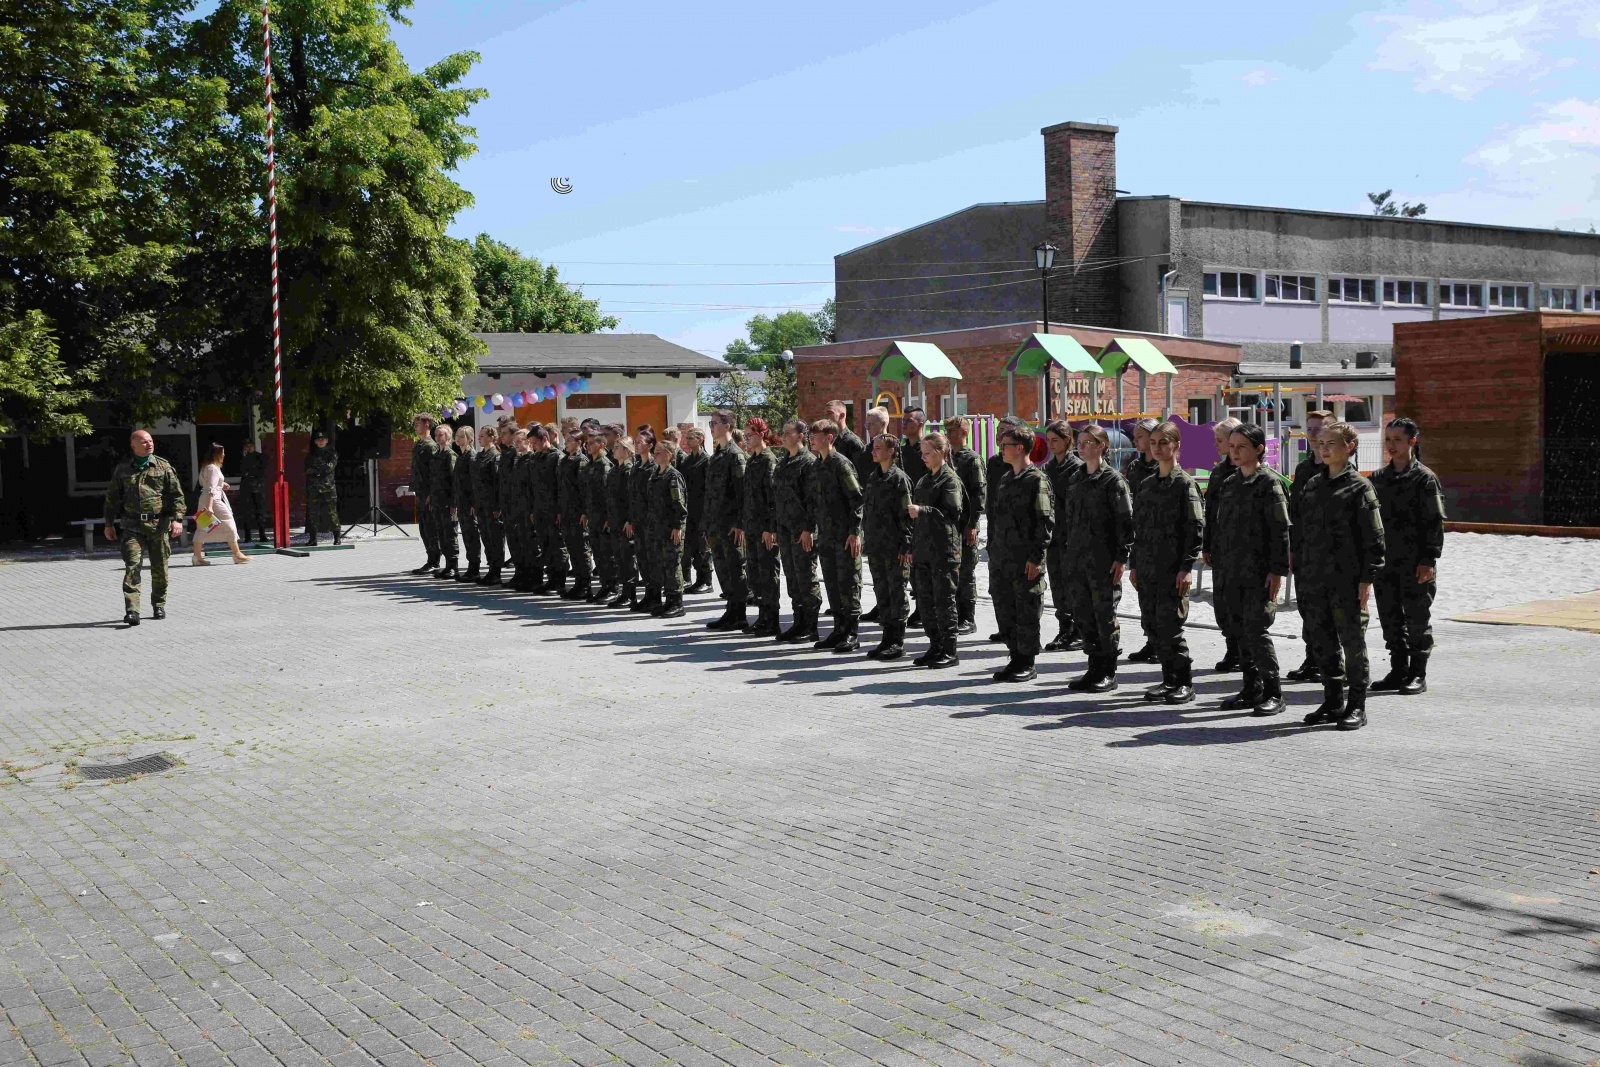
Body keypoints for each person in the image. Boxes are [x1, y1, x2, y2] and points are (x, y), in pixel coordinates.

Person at [1297, 420, 1387, 730]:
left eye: (1331, 443)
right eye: (1321, 443)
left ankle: (1357, 705)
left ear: (1349, 448)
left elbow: (1373, 537)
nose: (1323, 449)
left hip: (1346, 579)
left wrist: (1367, 578)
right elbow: (1303, 533)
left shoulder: (1359, 487)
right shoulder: (1312, 484)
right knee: (1321, 642)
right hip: (1314, 577)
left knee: (1352, 642)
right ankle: (1332, 701)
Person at [1203, 423, 1290, 715]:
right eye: (1232, 446)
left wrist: (1277, 571)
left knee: (1257, 630)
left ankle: (1274, 691)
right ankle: (1251, 688)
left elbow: (1280, 531)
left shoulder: (1269, 483)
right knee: (1238, 630)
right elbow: (1219, 527)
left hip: (1258, 571)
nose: (1235, 452)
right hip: (1231, 570)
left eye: (1242, 447)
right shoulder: (1230, 483)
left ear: (1259, 449)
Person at [1129, 422, 1203, 704]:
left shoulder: (1184, 484)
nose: (1157, 448)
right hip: (1147, 567)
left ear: (1176, 446)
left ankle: (1183, 682)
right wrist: (1134, 564)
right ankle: (1168, 679)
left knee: (1171, 627)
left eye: (1163, 443)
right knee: (1153, 626)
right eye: (1154, 442)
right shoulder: (1147, 485)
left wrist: (1187, 568)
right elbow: (1138, 529)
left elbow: (1195, 529)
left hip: (1172, 569)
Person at [1371, 417, 1445, 697]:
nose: (1391, 445)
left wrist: (1429, 560)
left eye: (1397, 440)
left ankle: (1417, 673)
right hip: (1386, 563)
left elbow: (1434, 523)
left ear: (1412, 441)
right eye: (1388, 440)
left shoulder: (1425, 478)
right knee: (1390, 621)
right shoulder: (1378, 478)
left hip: (1415, 563)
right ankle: (1398, 670)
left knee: (1416, 620)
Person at [1061, 425, 1133, 692]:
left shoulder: (1113, 481)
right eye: (1079, 442)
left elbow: (1125, 523)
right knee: (1083, 615)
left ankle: (1108, 670)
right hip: (1078, 559)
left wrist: (1121, 557)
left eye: (1087, 442)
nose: (1081, 447)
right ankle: (1094, 666)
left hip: (1103, 561)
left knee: (1104, 615)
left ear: (1102, 446)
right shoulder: (1076, 478)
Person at [988, 427, 1054, 682]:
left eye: (1005, 444)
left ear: (1019, 448)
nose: (1001, 448)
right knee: (1004, 609)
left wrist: (1037, 558)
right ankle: (1015, 656)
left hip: (1025, 559)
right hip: (1002, 557)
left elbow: (1045, 522)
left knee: (1026, 611)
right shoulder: (1006, 479)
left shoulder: (1037, 480)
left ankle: (1027, 661)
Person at [102, 430, 185, 625]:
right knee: (132, 567)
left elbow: (177, 496)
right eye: (144, 441)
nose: (149, 444)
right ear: (133, 445)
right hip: (132, 526)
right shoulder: (123, 469)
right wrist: (108, 524)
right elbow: (112, 499)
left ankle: (158, 604)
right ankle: (132, 610)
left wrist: (178, 520)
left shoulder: (163, 467)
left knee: (159, 569)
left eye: (150, 441)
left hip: (158, 526)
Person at [807, 418, 865, 651]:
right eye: (810, 435)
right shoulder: (817, 465)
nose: (811, 439)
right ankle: (838, 630)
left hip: (844, 536)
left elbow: (857, 500)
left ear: (829, 438)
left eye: (816, 435)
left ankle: (851, 633)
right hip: (827, 536)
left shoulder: (841, 464)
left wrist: (854, 532)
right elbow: (814, 503)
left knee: (848, 583)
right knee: (832, 583)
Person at [909, 433, 963, 669]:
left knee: (944, 601)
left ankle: (949, 650)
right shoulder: (924, 480)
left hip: (943, 550)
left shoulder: (949, 480)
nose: (923, 457)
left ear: (940, 452)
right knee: (926, 601)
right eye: (922, 453)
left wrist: (923, 510)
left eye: (928, 453)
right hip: (924, 549)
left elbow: (953, 514)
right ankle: (935, 645)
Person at [1286, 409, 1331, 682]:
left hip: (1329, 553)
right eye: (1310, 429)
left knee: (1328, 612)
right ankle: (1312, 659)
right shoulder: (1303, 468)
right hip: (1304, 551)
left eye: (1320, 429)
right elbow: (1295, 511)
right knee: (1307, 609)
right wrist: (1292, 548)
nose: (1313, 434)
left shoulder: (1333, 468)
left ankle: (1329, 663)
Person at [862, 434, 914, 660]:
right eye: (873, 447)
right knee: (882, 592)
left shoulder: (899, 479)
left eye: (879, 448)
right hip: (876, 546)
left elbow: (908, 516)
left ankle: (897, 641)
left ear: (891, 451)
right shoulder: (874, 477)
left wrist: (907, 545)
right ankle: (886, 638)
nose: (874, 452)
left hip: (896, 547)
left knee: (897, 593)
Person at [772, 420, 821, 642]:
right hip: (785, 528)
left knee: (805, 577)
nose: (783, 436)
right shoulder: (783, 462)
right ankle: (798, 621)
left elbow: (813, 500)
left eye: (787, 433)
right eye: (782, 433)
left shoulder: (808, 463)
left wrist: (809, 528)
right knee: (792, 577)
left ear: (801, 435)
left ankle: (810, 626)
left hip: (802, 530)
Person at [702, 411, 750, 630]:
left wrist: (740, 523)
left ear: (728, 425)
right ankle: (731, 610)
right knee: (722, 568)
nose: (711, 427)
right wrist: (706, 525)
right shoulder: (717, 455)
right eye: (710, 423)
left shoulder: (735, 455)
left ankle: (739, 613)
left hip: (731, 526)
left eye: (715, 423)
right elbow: (710, 494)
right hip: (716, 524)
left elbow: (743, 494)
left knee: (735, 569)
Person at [1041, 420, 1085, 653]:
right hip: (1053, 535)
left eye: (1055, 440)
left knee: (1072, 585)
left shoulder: (1076, 468)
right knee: (1057, 584)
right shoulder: (1048, 469)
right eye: (1048, 440)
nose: (1051, 445)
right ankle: (1064, 628)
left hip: (1071, 535)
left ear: (1068, 440)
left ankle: (1077, 631)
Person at [1203, 417, 1243, 670]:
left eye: (1220, 440)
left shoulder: (1246, 470)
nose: (1216, 445)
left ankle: (1244, 652)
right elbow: (1210, 512)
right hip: (1219, 547)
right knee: (1223, 603)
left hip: (1241, 549)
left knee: (1241, 603)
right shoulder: (1218, 471)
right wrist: (1206, 545)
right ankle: (1232, 648)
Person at [986, 416, 1029, 643]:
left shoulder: (1027, 471)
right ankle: (1005, 627)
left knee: (1020, 591)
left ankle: (1018, 633)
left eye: (1006, 431)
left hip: (1018, 540)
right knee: (997, 587)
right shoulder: (994, 463)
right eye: (999, 430)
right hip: (996, 531)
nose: (1000, 435)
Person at [1123, 418, 1161, 663]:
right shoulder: (1136, 467)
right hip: (1140, 536)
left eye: (1139, 436)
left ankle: (1162, 644)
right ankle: (1151, 640)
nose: (1135, 441)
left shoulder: (1162, 466)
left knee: (1161, 597)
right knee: (1144, 594)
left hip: (1159, 536)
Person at [944, 415, 987, 636]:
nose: (949, 434)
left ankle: (967, 617)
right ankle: (953, 615)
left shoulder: (972, 459)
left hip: (965, 524)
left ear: (964, 432)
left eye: (953, 430)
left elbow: (979, 494)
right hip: (948, 525)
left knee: (966, 572)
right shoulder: (946, 457)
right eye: (947, 430)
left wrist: (972, 524)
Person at [741, 420, 783, 637]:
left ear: (761, 435)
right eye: (745, 436)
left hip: (764, 529)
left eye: (749, 436)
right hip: (752, 527)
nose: (746, 440)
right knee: (756, 575)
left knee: (768, 574)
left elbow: (773, 498)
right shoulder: (753, 460)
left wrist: (770, 528)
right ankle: (763, 616)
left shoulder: (768, 461)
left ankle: (772, 619)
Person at [191, 443, 251, 566]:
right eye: (222, 452)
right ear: (216, 454)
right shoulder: (213, 468)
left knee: (202, 527)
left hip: (206, 498)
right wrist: (210, 506)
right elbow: (211, 488)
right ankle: (237, 554)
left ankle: (197, 557)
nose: (224, 454)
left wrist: (222, 484)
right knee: (229, 522)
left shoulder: (206, 466)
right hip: (213, 500)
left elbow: (207, 483)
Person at [649, 439, 689, 618]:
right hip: (658, 527)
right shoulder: (656, 473)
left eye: (658, 451)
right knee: (662, 565)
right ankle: (668, 601)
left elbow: (679, 504)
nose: (654, 454)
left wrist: (677, 526)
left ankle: (677, 603)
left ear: (669, 455)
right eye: (655, 451)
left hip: (671, 528)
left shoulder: (673, 476)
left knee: (673, 565)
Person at [557, 422, 592, 599]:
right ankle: (578, 583)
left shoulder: (581, 461)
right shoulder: (564, 460)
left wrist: (585, 512)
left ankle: (585, 584)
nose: (566, 442)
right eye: (566, 439)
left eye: (570, 440)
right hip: (566, 511)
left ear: (579, 442)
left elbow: (584, 489)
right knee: (572, 547)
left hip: (578, 513)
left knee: (581, 549)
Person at [582, 428, 617, 603]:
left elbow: (607, 495)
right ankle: (604, 585)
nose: (587, 446)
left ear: (602, 445)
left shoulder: (604, 465)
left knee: (606, 554)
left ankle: (612, 587)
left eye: (591, 443)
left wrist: (608, 518)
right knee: (597, 552)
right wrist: (585, 513)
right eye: (587, 443)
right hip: (593, 516)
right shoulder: (590, 464)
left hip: (603, 518)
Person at [628, 427, 661, 614]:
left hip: (650, 522)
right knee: (642, 559)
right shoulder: (636, 466)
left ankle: (655, 597)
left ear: (650, 445)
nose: (637, 445)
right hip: (638, 521)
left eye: (640, 442)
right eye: (636, 442)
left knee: (652, 560)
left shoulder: (653, 468)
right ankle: (649, 595)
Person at [531, 423, 566, 594]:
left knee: (557, 546)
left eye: (535, 443)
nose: (533, 447)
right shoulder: (537, 457)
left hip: (553, 510)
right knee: (545, 545)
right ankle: (551, 579)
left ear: (545, 439)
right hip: (540, 508)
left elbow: (561, 486)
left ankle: (559, 581)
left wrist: (559, 510)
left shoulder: (556, 457)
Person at [679, 427, 714, 593]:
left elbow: (709, 488)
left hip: (701, 509)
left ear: (700, 440)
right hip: (689, 509)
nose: (688, 441)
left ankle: (706, 581)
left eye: (691, 438)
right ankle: (695, 579)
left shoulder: (706, 461)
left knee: (703, 548)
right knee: (691, 546)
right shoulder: (687, 461)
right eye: (687, 438)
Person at [607, 435, 639, 608]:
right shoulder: (614, 470)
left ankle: (630, 594)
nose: (614, 450)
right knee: (619, 558)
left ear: (626, 451)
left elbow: (632, 499)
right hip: (614, 520)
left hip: (625, 521)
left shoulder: (629, 471)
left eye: (617, 447)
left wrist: (630, 520)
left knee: (627, 559)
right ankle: (623, 592)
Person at [473, 426, 504, 586]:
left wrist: (497, 506)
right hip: (481, 504)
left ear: (492, 437)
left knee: (495, 539)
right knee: (486, 537)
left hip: (492, 505)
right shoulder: (480, 456)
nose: (479, 438)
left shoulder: (495, 456)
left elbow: (497, 483)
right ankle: (491, 569)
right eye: (479, 436)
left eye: (482, 436)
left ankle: (496, 572)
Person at [409, 414, 439, 575]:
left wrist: (431, 493)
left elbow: (434, 473)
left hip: (428, 493)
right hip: (420, 492)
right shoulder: (419, 444)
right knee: (424, 528)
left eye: (418, 423)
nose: (415, 426)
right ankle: (430, 558)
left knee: (430, 528)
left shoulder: (430, 446)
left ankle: (435, 561)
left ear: (427, 425)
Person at [496, 421, 525, 588]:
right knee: (513, 542)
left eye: (505, 433)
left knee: (520, 542)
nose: (502, 437)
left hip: (516, 504)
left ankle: (524, 574)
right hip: (507, 502)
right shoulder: (507, 453)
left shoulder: (516, 455)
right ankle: (519, 573)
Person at [429, 424, 459, 578]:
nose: (438, 437)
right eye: (436, 435)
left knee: (450, 533)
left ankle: (453, 566)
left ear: (448, 437)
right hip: (437, 500)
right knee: (441, 533)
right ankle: (447, 564)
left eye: (441, 435)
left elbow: (454, 480)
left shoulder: (450, 455)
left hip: (448, 501)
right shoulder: (436, 454)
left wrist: (454, 502)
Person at [451, 426, 480, 581]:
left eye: (462, 436)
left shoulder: (471, 456)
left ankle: (474, 568)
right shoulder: (461, 456)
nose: (458, 439)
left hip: (469, 503)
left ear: (469, 438)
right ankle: (471, 567)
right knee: (467, 536)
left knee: (472, 535)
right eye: (457, 435)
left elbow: (473, 483)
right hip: (461, 502)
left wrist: (473, 503)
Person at [304, 429, 341, 547]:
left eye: (323, 439)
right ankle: (313, 539)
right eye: (318, 440)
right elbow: (307, 470)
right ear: (315, 442)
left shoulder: (332, 453)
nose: (321, 441)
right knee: (313, 514)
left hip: (328, 488)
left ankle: (337, 538)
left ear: (327, 441)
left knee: (332, 514)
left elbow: (330, 467)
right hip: (314, 488)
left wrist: (317, 471)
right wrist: (319, 470)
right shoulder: (311, 455)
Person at [237, 440, 268, 543]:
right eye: (247, 446)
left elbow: (262, 470)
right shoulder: (243, 458)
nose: (249, 448)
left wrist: (250, 473)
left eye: (250, 446)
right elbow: (241, 470)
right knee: (247, 513)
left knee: (260, 512)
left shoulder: (259, 456)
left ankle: (262, 535)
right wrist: (244, 457)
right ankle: (247, 536)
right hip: (246, 488)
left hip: (258, 487)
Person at [824, 400, 867, 472]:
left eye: (830, 413)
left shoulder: (852, 442)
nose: (826, 417)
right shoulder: (829, 440)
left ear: (842, 415)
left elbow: (861, 472)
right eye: (825, 414)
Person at [899, 407, 930, 488]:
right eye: (903, 420)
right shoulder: (900, 450)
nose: (904, 424)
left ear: (920, 424)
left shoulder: (927, 450)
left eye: (909, 421)